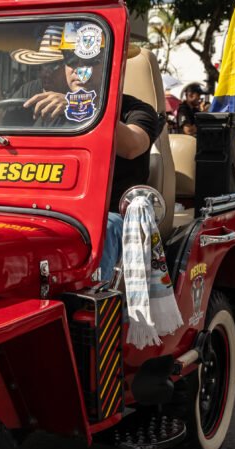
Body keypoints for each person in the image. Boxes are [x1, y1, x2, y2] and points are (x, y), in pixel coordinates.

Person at [101, 45, 164, 281]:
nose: (79, 70)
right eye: (71, 61)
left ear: (113, 68)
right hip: (52, 210)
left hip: (115, 212)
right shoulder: (47, 106)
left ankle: (96, 306)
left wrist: (89, 109)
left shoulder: (137, 110)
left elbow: (132, 146)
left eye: (93, 62)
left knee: (103, 228)